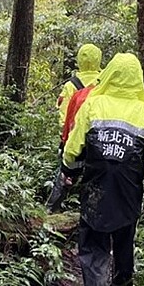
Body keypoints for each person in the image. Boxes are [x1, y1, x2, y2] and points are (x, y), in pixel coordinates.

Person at [61, 53, 144, 286]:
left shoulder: (92, 106)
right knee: (124, 244)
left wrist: (68, 172)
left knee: (92, 247)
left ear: (109, 73)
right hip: (127, 196)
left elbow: (74, 147)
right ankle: (123, 280)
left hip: (94, 192)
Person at [46, 83, 96, 213]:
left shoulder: (74, 88)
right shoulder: (104, 90)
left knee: (65, 177)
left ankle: (50, 210)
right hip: (98, 147)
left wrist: (64, 140)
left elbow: (66, 116)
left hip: (76, 140)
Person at [57, 43, 102, 128]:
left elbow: (64, 116)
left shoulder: (70, 85)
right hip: (99, 134)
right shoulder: (104, 83)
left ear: (79, 60)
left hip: (76, 133)